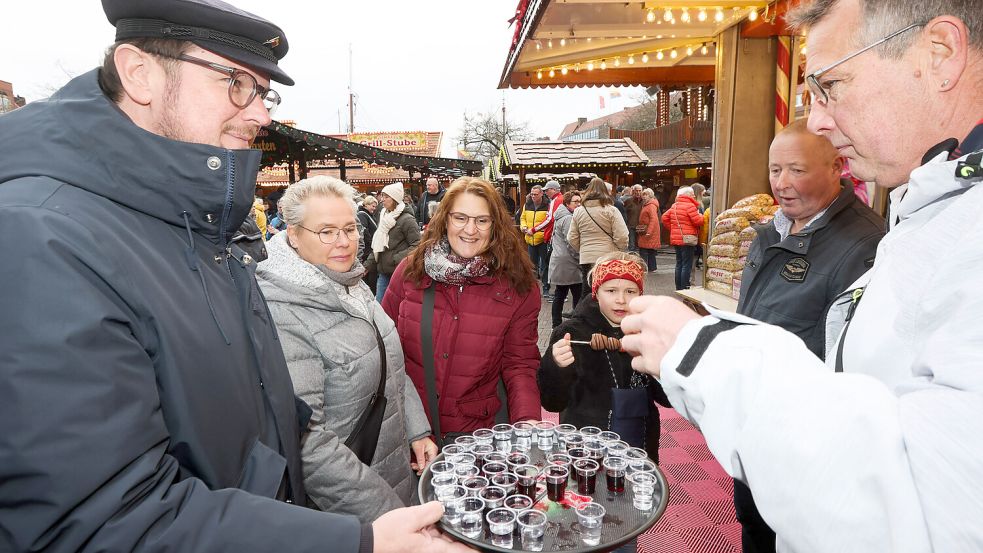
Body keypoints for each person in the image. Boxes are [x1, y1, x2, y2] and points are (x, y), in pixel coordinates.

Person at [0, 1, 470, 552]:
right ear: (140, 73)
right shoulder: (43, 236)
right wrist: (356, 542)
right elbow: (99, 519)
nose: (262, 114)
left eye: (263, 91)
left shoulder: (200, 224)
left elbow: (258, 401)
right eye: (236, 82)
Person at [621, 0, 983, 550]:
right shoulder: (934, 205)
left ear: (940, 54)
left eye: (831, 85)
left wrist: (703, 351)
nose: (817, 118)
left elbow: (926, 508)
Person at [733, 119, 885, 553]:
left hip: (806, 437)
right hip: (759, 422)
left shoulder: (864, 245)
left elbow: (854, 365)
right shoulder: (773, 230)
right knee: (755, 524)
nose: (782, 183)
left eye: (796, 170)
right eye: (774, 169)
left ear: (837, 167)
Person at [256, 176, 435, 521]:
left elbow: (391, 364)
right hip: (351, 507)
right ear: (292, 234)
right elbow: (308, 444)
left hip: (391, 470)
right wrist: (385, 511)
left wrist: (417, 429)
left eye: (350, 229)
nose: (344, 242)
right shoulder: (282, 310)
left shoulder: (348, 281)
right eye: (326, 231)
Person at [382, 177, 543, 439]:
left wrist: (527, 420)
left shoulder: (518, 287)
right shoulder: (411, 272)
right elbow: (386, 349)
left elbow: (520, 364)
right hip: (410, 430)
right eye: (460, 218)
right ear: (445, 219)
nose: (471, 229)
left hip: (474, 436)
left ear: (495, 225)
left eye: (482, 220)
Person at [541, 251, 670, 459]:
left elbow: (667, 399)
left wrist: (663, 365)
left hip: (640, 445)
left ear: (640, 295)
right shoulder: (571, 334)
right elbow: (552, 401)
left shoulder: (647, 333)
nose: (620, 300)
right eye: (611, 290)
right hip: (585, 448)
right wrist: (556, 365)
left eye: (630, 291)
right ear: (596, 292)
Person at [568, 177, 630, 295]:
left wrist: (583, 249)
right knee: (607, 291)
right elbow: (622, 236)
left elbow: (571, 237)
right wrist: (618, 250)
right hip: (608, 257)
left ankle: (586, 313)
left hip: (587, 257)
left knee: (588, 292)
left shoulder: (579, 211)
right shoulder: (612, 210)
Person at [368, 182, 420, 303]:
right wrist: (368, 265)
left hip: (399, 273)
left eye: (386, 197)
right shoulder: (384, 217)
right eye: (382, 196)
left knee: (396, 308)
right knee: (381, 307)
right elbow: (378, 245)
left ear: (395, 199)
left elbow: (417, 244)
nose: (382, 200)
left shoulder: (407, 219)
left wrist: (395, 259)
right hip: (383, 272)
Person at [547, 190, 583, 328]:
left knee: (560, 294)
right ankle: (576, 325)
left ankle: (556, 325)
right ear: (567, 203)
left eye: (580, 201)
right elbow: (572, 243)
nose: (578, 204)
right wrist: (580, 259)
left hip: (560, 262)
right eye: (575, 202)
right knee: (577, 295)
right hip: (569, 263)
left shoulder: (560, 215)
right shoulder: (568, 218)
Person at [661, 186, 704, 290]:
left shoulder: (674, 206)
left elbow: (664, 218)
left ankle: (678, 287)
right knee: (686, 265)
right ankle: (684, 287)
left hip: (676, 238)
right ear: (688, 195)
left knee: (679, 263)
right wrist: (703, 217)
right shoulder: (690, 206)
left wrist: (673, 229)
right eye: (692, 194)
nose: (693, 195)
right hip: (687, 239)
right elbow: (698, 221)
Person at [531, 180, 565, 300]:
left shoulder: (556, 200)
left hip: (551, 236)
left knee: (550, 265)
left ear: (554, 190)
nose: (546, 192)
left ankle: (557, 293)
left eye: (547, 190)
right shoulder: (559, 199)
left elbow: (550, 219)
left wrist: (534, 229)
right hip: (553, 236)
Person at [519, 184, 550, 295]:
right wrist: (523, 226)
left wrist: (537, 231)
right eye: (532, 194)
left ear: (541, 194)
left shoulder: (548, 205)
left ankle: (546, 288)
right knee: (532, 265)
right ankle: (532, 289)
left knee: (545, 265)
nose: (533, 196)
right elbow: (522, 218)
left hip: (542, 239)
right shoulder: (527, 204)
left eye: (535, 194)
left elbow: (549, 221)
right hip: (530, 239)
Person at [357, 194, 380, 294]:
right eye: (372, 206)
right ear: (366, 205)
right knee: (369, 275)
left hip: (369, 248)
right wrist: (372, 243)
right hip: (367, 250)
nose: (374, 208)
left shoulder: (369, 215)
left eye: (375, 206)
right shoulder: (362, 215)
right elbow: (364, 232)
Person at [636, 188, 661, 272]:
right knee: (650, 250)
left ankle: (644, 267)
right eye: (643, 195)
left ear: (650, 196)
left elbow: (654, 219)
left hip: (648, 231)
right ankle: (652, 267)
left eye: (646, 195)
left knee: (643, 250)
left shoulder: (650, 205)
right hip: (647, 229)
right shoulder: (648, 204)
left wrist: (649, 231)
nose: (644, 196)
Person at [624, 184, 645, 252]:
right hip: (631, 226)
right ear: (633, 191)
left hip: (641, 226)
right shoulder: (628, 201)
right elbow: (624, 213)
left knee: (641, 246)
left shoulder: (644, 201)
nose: (638, 192)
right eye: (636, 190)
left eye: (640, 190)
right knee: (632, 246)